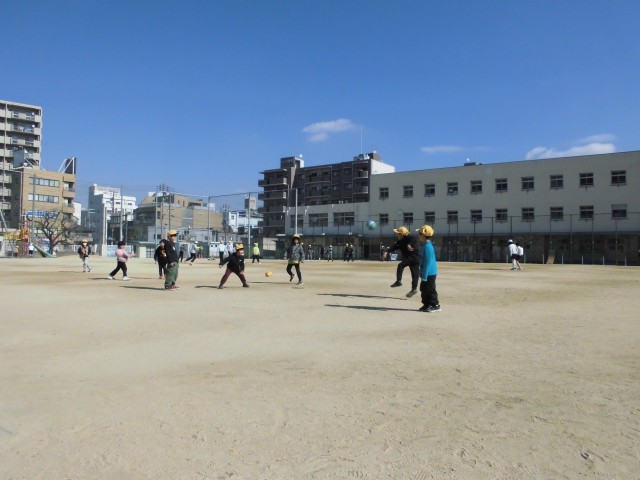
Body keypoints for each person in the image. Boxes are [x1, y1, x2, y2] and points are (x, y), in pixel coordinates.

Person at [385, 226, 420, 298]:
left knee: (401, 266)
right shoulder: (400, 241)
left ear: (402, 234)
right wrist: (387, 251)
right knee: (415, 275)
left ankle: (399, 281)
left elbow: (414, 240)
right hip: (412, 259)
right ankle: (414, 289)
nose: (397, 235)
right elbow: (393, 247)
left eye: (398, 233)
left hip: (414, 258)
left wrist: (409, 244)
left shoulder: (410, 238)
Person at [416, 225, 441, 312]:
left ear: (424, 235)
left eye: (420, 234)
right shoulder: (424, 245)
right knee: (423, 289)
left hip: (429, 273)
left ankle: (435, 305)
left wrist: (424, 275)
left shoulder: (428, 247)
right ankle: (426, 304)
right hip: (425, 272)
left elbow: (427, 262)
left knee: (430, 289)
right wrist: (421, 271)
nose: (419, 236)